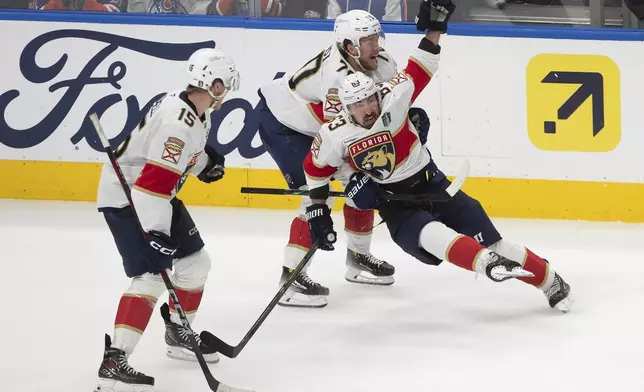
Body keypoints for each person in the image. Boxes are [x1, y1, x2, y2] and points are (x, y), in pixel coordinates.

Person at [302, 0, 573, 314]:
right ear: (346, 110)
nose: (368, 108)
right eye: (359, 105)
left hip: (432, 183)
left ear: (379, 93)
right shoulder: (334, 133)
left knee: (495, 243)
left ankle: (550, 280)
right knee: (430, 235)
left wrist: (434, 30)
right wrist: (321, 209)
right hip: (395, 202)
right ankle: (484, 263)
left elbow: (422, 64)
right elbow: (317, 169)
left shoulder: (395, 96)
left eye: (370, 99)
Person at [257, 9, 430, 308]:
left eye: (376, 37)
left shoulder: (382, 61)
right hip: (285, 126)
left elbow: (389, 109)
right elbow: (341, 140)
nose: (377, 44)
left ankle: (358, 257)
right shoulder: (338, 79)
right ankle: (291, 276)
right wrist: (352, 180)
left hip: (318, 127)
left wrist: (411, 121)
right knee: (317, 195)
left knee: (365, 178)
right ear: (350, 47)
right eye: (369, 40)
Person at [94, 48, 240, 392]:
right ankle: (115, 359)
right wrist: (156, 234)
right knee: (150, 278)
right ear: (215, 83)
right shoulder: (179, 121)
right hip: (129, 199)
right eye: (226, 84)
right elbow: (149, 187)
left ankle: (178, 332)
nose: (228, 90)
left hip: (156, 196)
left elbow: (173, 153)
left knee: (195, 263)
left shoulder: (191, 107)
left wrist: (204, 164)